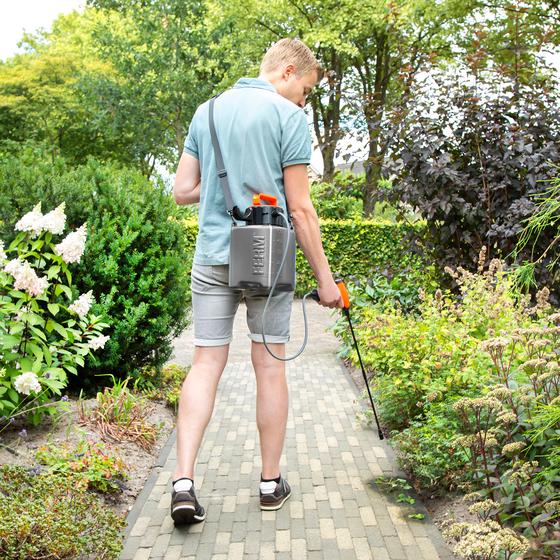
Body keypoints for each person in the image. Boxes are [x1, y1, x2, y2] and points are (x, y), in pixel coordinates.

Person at [171, 37, 343, 525]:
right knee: (269, 365)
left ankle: (183, 482)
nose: (304, 101)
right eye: (306, 90)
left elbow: (182, 191)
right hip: (267, 254)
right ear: (288, 71)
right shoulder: (289, 119)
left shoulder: (206, 112)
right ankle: (270, 484)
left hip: (213, 255)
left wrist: (227, 182)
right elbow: (301, 208)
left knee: (205, 362)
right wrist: (326, 283)